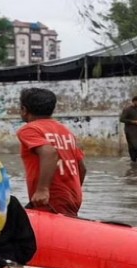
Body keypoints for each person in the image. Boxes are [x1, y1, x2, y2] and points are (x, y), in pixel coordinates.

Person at [16, 88, 87, 217]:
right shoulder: (65, 131)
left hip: (50, 199)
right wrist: (72, 191)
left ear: (24, 110)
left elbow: (49, 152)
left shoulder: (29, 129)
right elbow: (82, 168)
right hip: (73, 197)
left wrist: (43, 190)